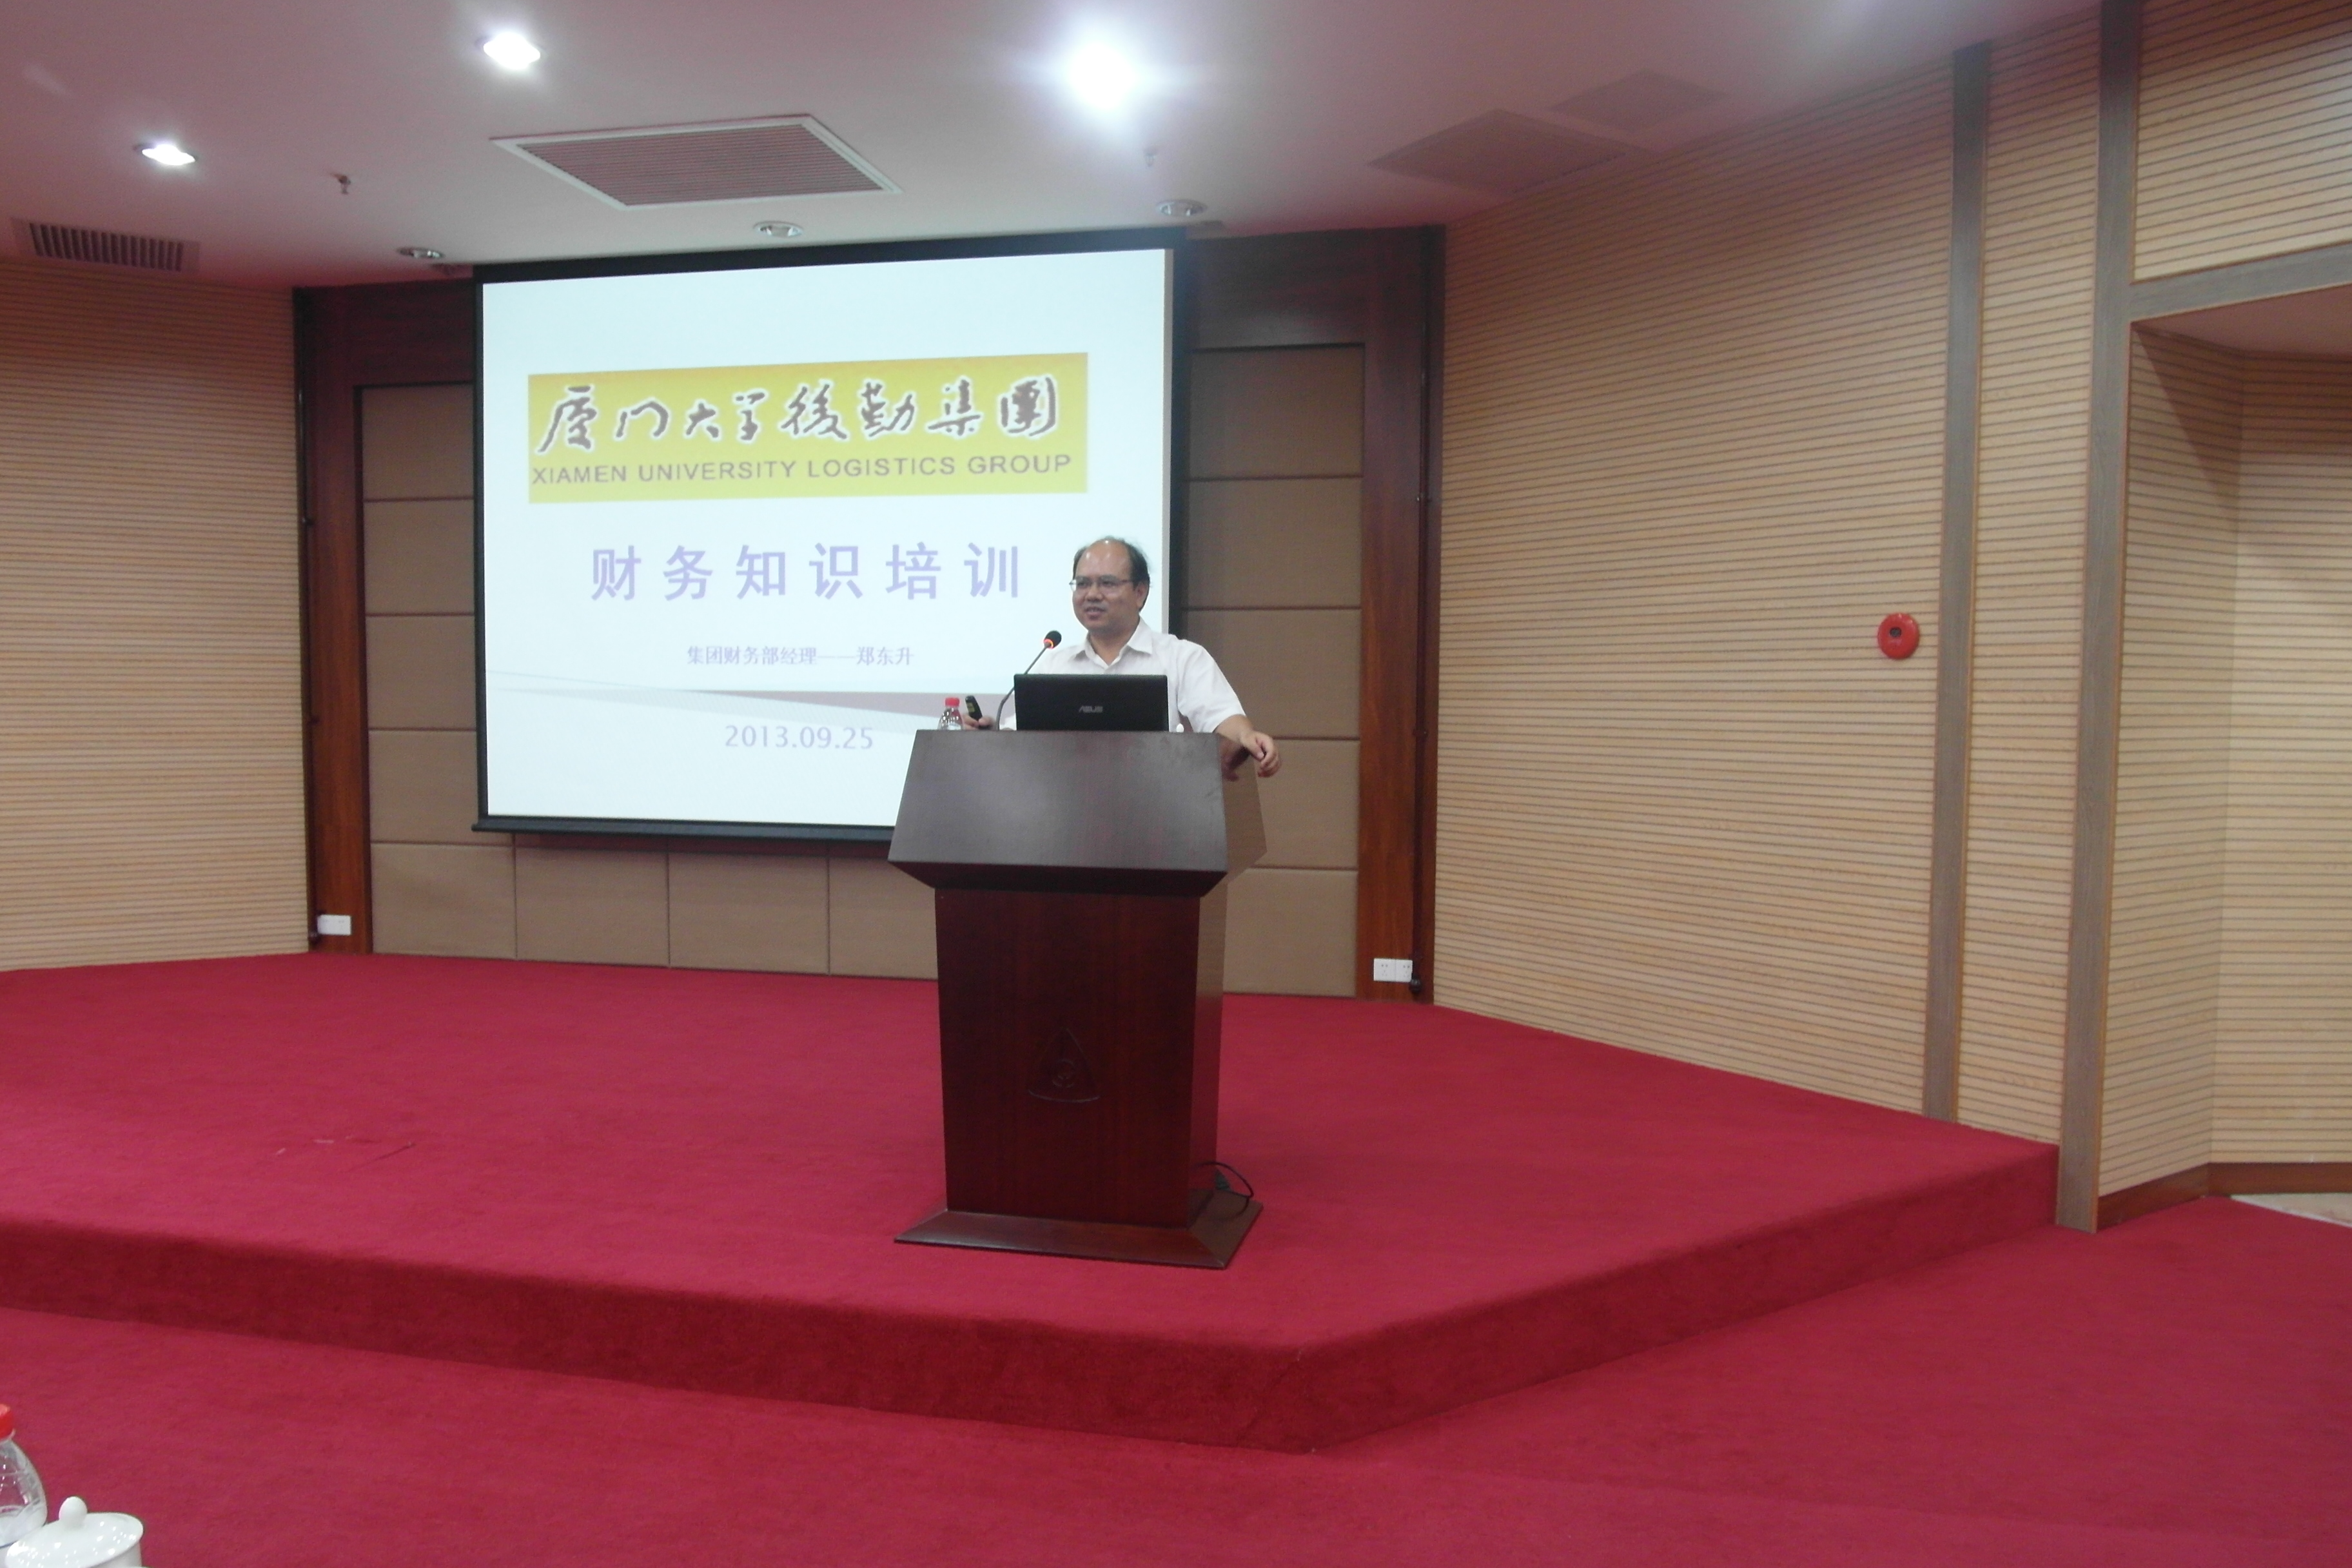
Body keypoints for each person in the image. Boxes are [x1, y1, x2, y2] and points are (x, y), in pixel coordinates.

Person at [971, 536, 1282, 778]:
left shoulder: (1181, 657)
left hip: (1161, 815)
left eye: (1107, 583)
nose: (1092, 594)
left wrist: (1247, 736)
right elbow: (1019, 734)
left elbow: (1223, 718)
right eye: (1082, 584)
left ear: (1140, 592)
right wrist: (989, 736)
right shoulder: (1054, 663)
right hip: (1062, 816)